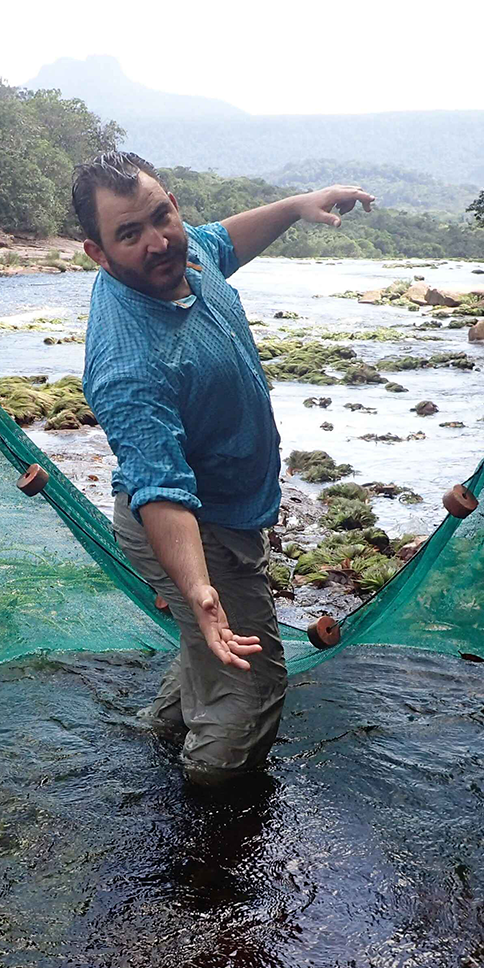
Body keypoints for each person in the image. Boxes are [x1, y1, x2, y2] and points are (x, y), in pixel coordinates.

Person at [72, 150, 376, 786]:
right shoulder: (127, 364)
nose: (158, 242)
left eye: (163, 217)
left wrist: (296, 206)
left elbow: (222, 239)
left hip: (225, 510)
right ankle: (208, 810)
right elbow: (161, 488)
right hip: (189, 526)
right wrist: (201, 590)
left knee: (208, 649)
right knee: (252, 682)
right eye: (129, 234)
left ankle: (159, 736)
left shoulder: (183, 254)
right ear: (98, 254)